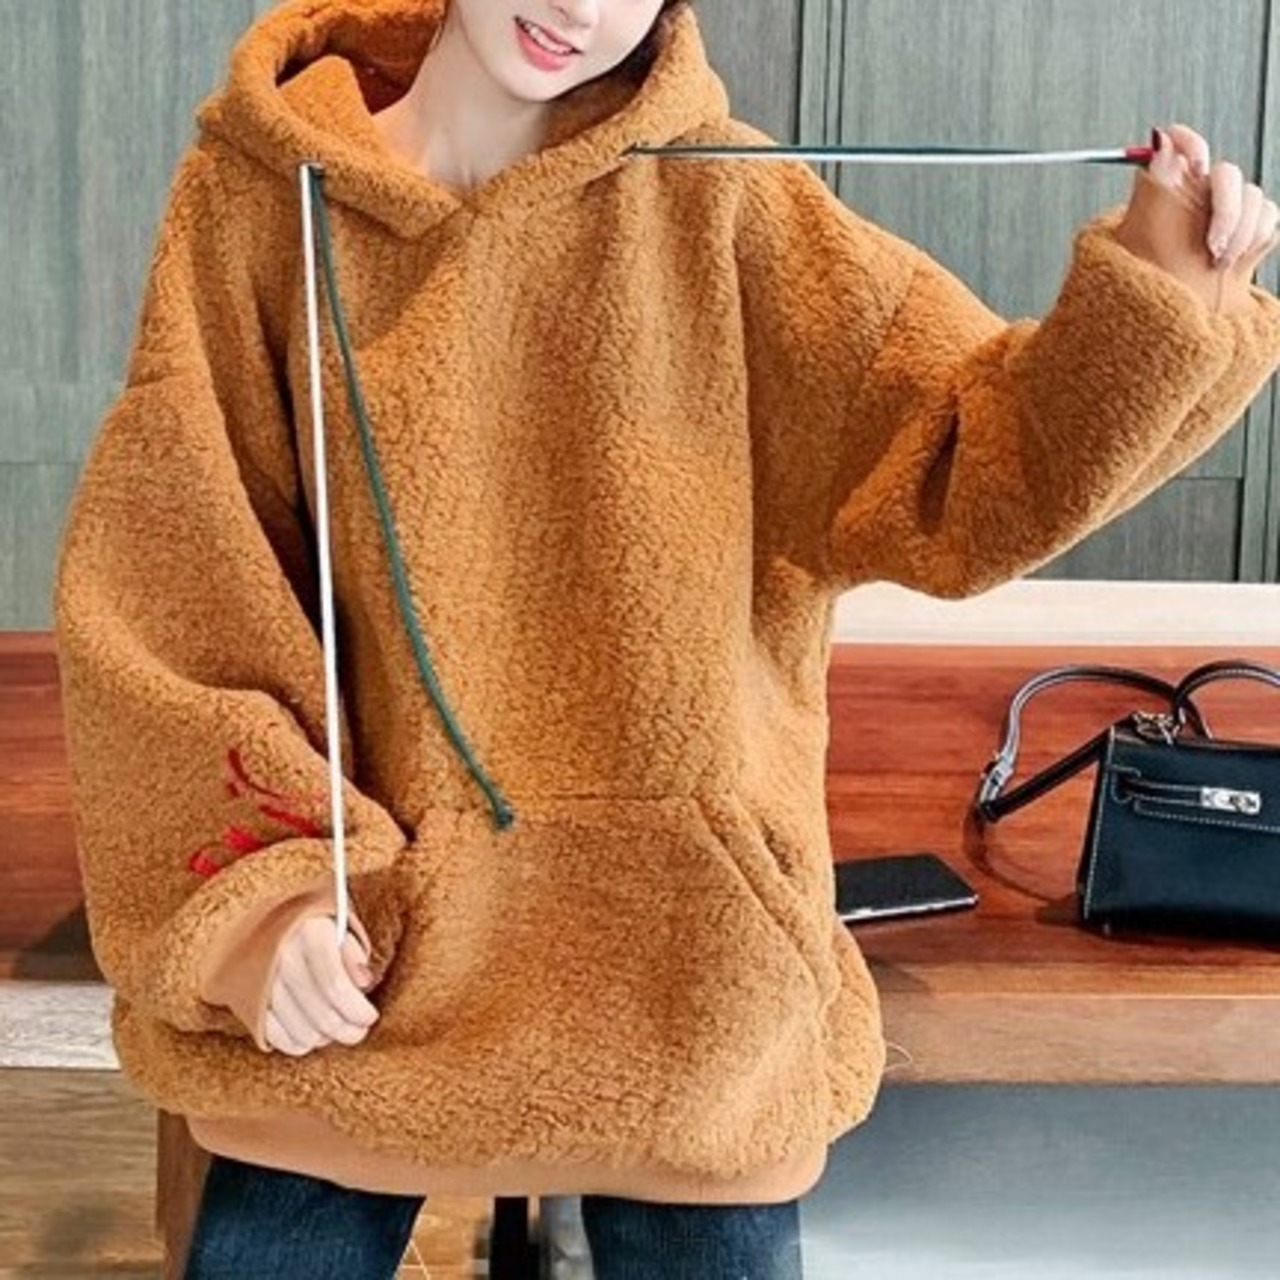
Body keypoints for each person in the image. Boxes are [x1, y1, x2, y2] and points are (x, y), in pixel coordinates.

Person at [50, 0, 1280, 1276]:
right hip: (364, 958)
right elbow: (178, 578)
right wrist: (269, 904)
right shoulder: (261, 197)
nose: (579, 9)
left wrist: (1160, 285)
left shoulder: (729, 201)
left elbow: (972, 465)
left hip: (689, 971)